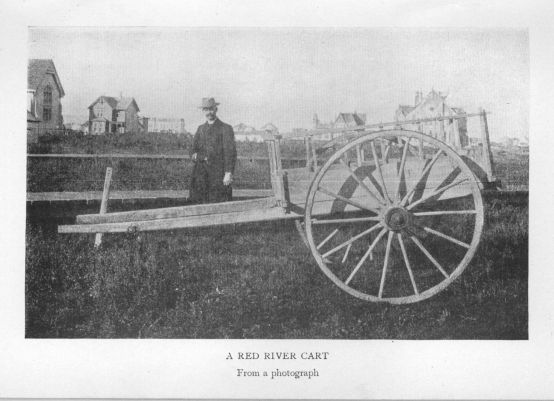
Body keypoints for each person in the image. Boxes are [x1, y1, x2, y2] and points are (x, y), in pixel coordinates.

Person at [190, 97, 237, 204]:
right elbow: (192, 151)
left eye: (211, 109)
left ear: (216, 109)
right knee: (199, 205)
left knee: (219, 205)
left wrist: (228, 173)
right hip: (200, 175)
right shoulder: (200, 129)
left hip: (218, 176)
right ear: (203, 111)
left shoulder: (225, 128)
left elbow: (230, 153)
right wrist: (202, 157)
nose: (209, 112)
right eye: (206, 110)